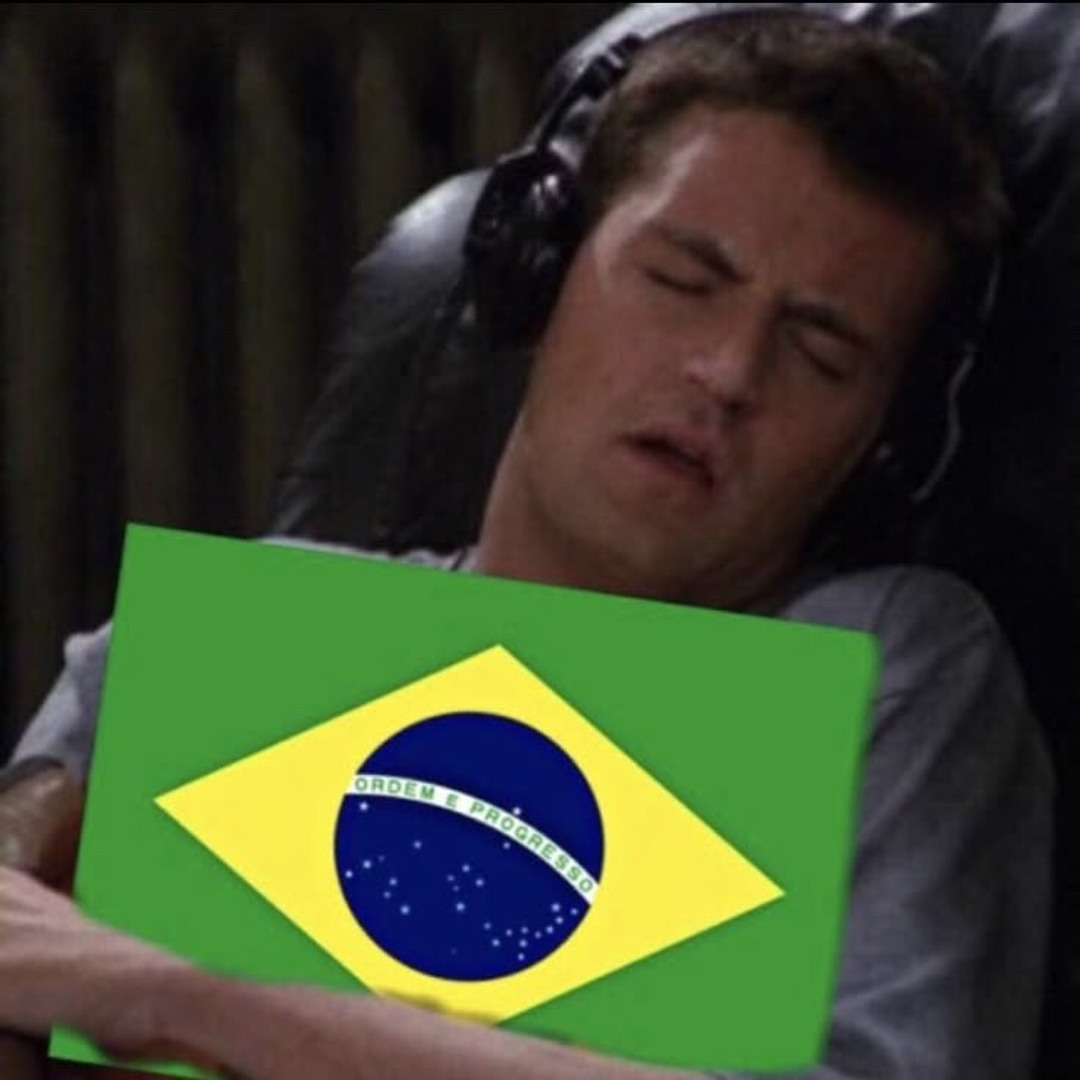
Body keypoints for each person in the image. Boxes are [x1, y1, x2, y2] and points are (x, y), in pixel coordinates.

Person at [0, 10, 1052, 1080]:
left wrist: (168, 995)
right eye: (682, 282)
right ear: (538, 273)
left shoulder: (885, 662)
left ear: (882, 445)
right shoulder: (237, 637)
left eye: (821, 353)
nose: (731, 373)